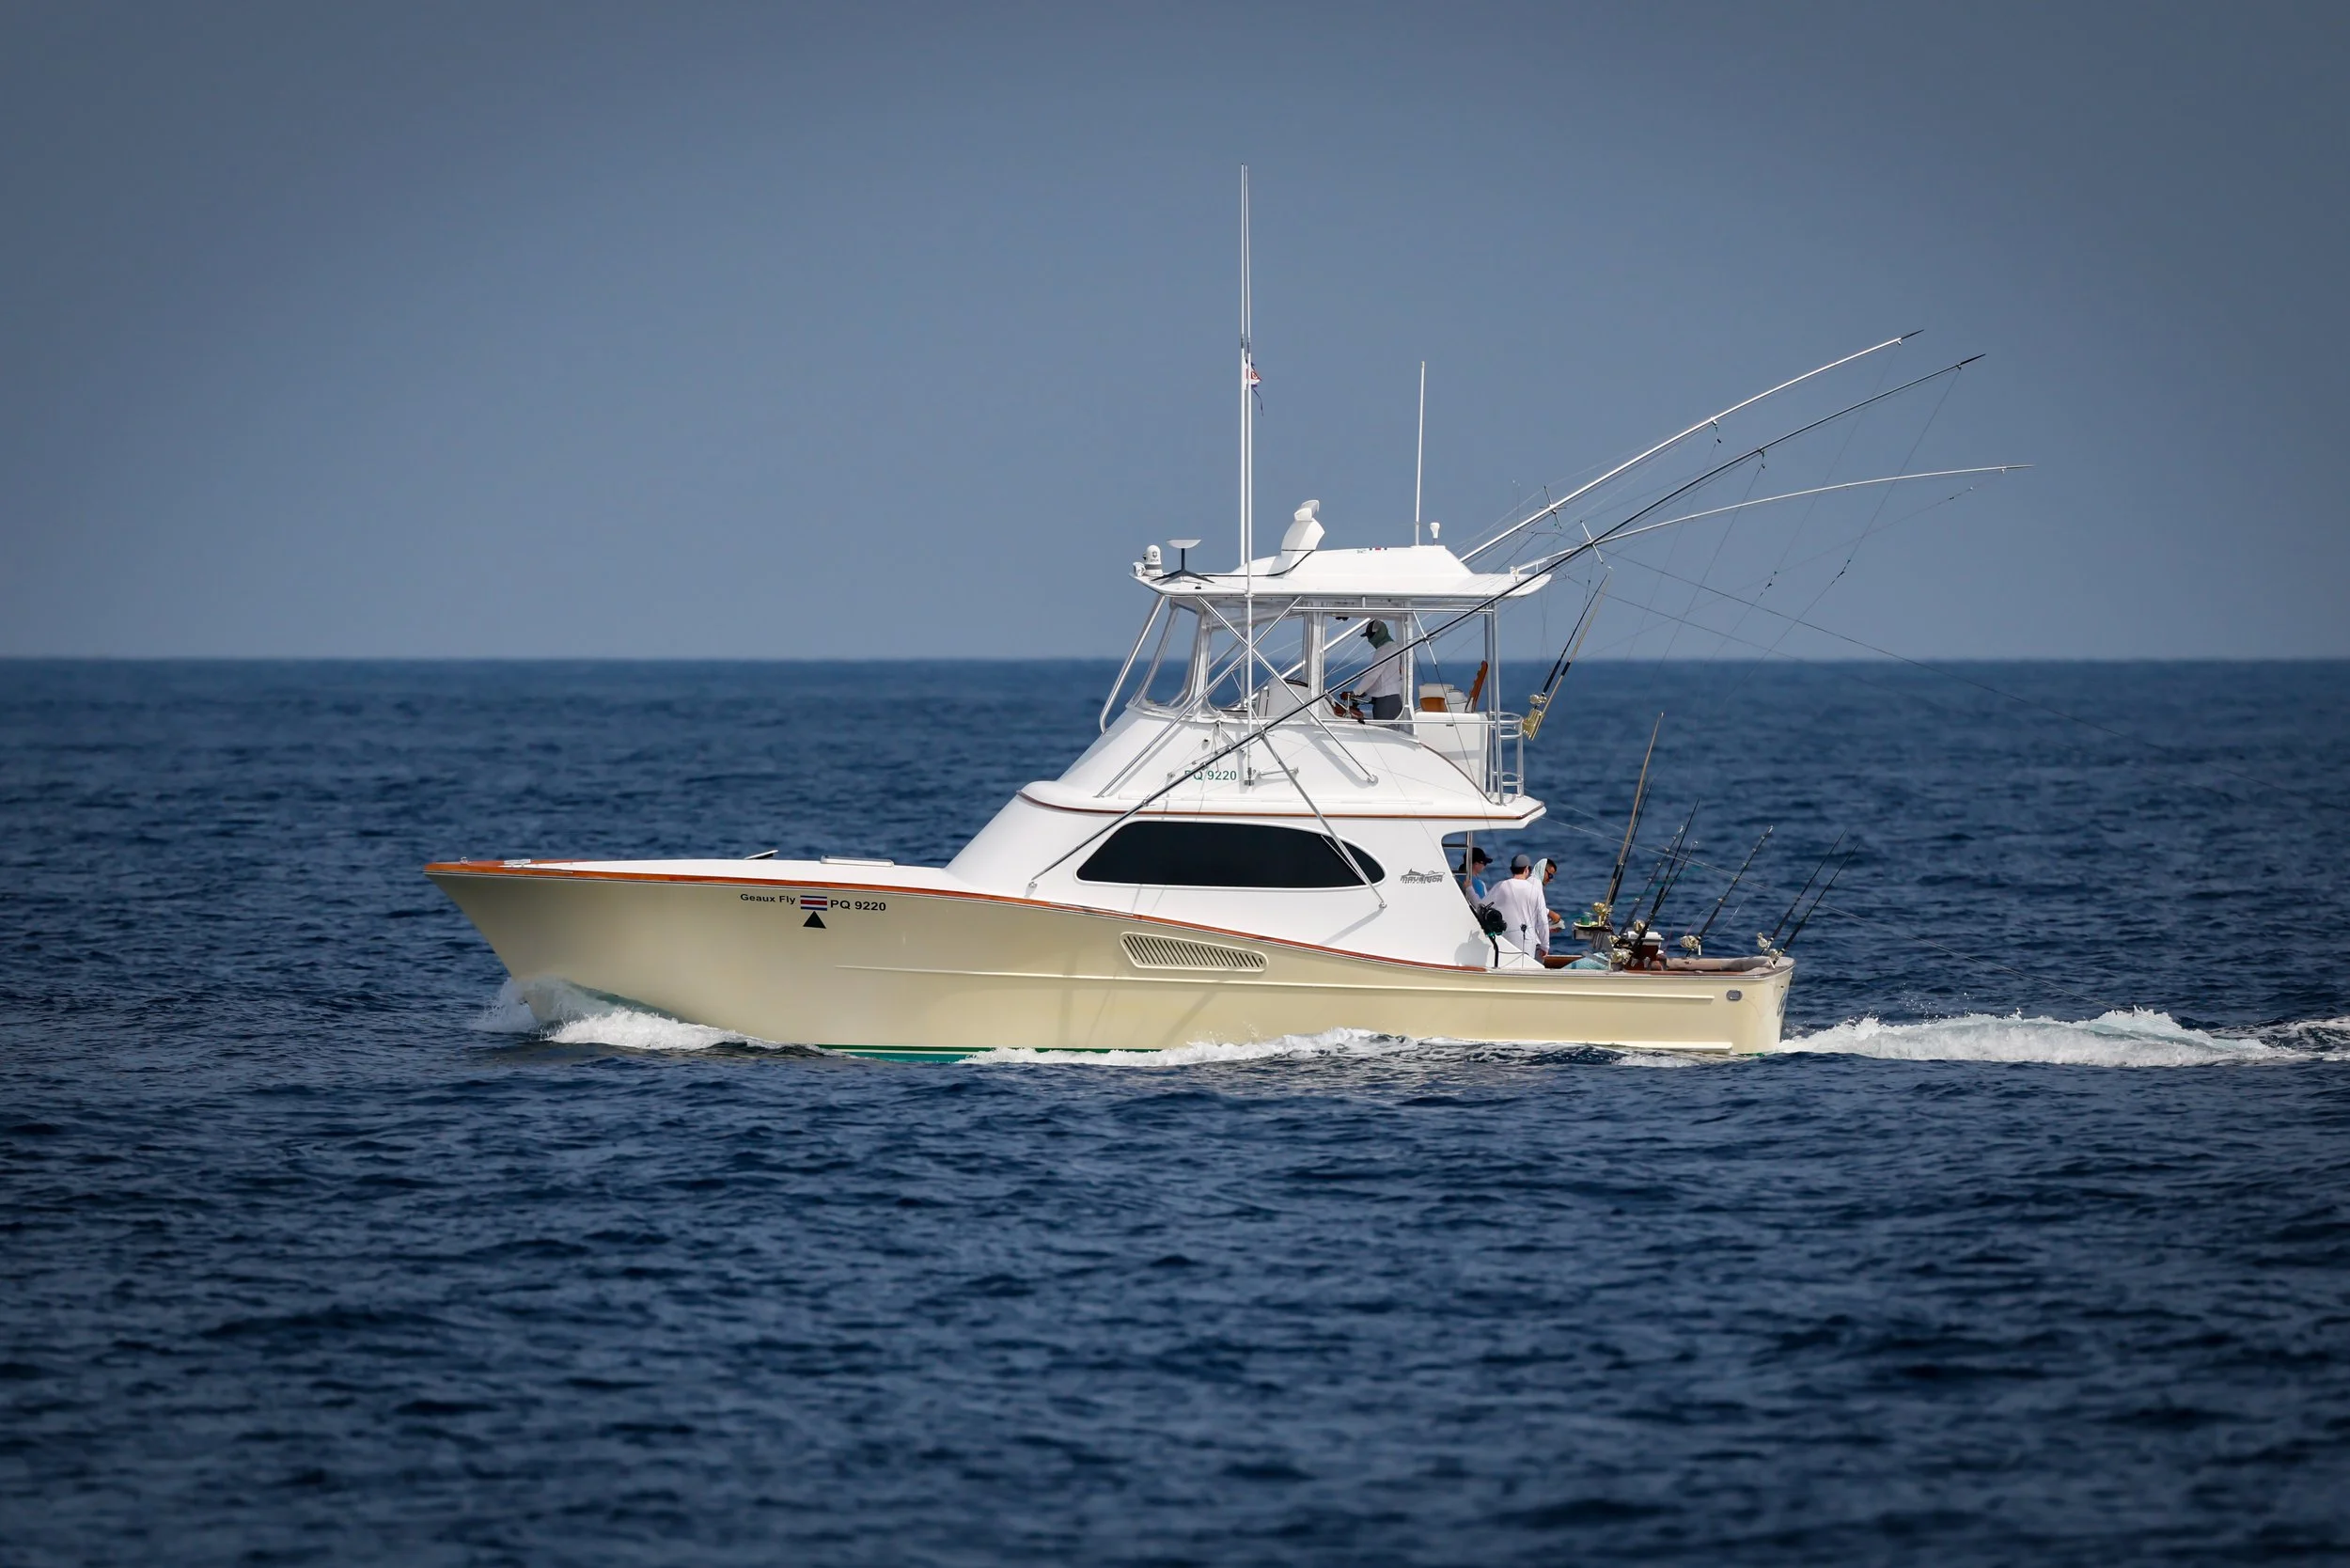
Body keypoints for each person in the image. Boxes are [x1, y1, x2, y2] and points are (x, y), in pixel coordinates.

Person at [1486, 852, 1551, 960]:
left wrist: (1469, 889)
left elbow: (1481, 905)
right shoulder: (1535, 891)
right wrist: (1545, 945)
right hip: (1528, 945)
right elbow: (1543, 921)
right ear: (1526, 869)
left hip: (1505, 941)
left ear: (1512, 869)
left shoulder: (1501, 886)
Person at [1350, 620, 1405, 720]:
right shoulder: (1393, 647)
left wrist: (1355, 692)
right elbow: (1382, 678)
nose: (1369, 640)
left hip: (1386, 701)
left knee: (1385, 733)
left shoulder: (1385, 649)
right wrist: (1364, 692)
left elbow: (1373, 675)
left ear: (1377, 634)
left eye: (1369, 636)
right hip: (1392, 699)